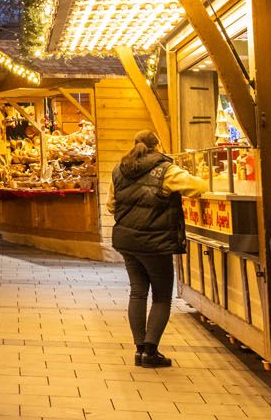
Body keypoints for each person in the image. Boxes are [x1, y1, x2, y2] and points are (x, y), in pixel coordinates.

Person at [109, 129, 206, 367]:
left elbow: (112, 206)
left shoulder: (119, 170)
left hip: (127, 242)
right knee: (162, 297)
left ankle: (139, 350)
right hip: (156, 243)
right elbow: (198, 187)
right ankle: (151, 353)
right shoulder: (167, 170)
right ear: (158, 145)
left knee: (137, 292)